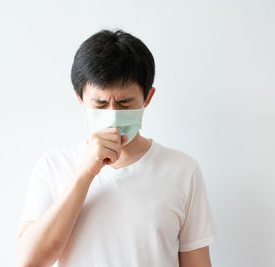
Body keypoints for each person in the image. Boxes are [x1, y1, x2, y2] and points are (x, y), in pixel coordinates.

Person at [15, 28, 218, 267]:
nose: (112, 115)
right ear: (80, 99)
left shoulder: (182, 170)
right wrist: (86, 171)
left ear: (147, 98)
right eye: (100, 104)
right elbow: (29, 261)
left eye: (124, 103)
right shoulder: (53, 166)